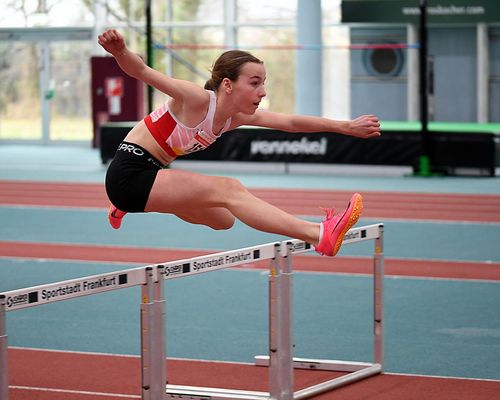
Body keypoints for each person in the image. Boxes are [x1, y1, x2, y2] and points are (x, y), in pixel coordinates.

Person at [97, 29, 381, 257]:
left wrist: (345, 126)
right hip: (130, 171)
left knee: (223, 220)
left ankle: (124, 206)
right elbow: (143, 72)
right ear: (228, 85)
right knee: (230, 189)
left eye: (263, 83)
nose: (263, 92)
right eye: (255, 83)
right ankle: (318, 234)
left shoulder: (236, 117)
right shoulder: (195, 99)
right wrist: (120, 51)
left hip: (150, 177)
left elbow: (291, 123)